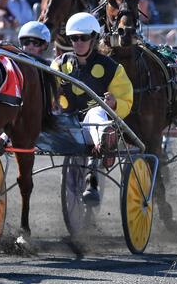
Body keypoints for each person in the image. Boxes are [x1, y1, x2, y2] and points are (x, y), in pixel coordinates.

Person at [50, 12, 133, 203]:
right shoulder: (59, 64)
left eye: (83, 38)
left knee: (96, 111)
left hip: (91, 128)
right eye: (74, 38)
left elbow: (126, 100)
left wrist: (115, 104)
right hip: (64, 127)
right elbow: (46, 91)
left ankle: (104, 145)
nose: (78, 42)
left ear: (94, 38)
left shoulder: (112, 68)